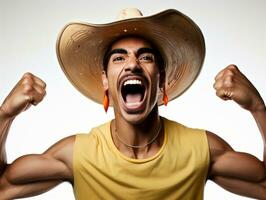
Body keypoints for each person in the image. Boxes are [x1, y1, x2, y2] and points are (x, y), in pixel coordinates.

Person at [0, 8, 265, 200]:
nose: (132, 64)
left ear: (162, 81)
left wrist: (257, 107)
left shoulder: (200, 149)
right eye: (119, 58)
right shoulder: (77, 155)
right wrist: (5, 114)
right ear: (105, 80)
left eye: (145, 57)